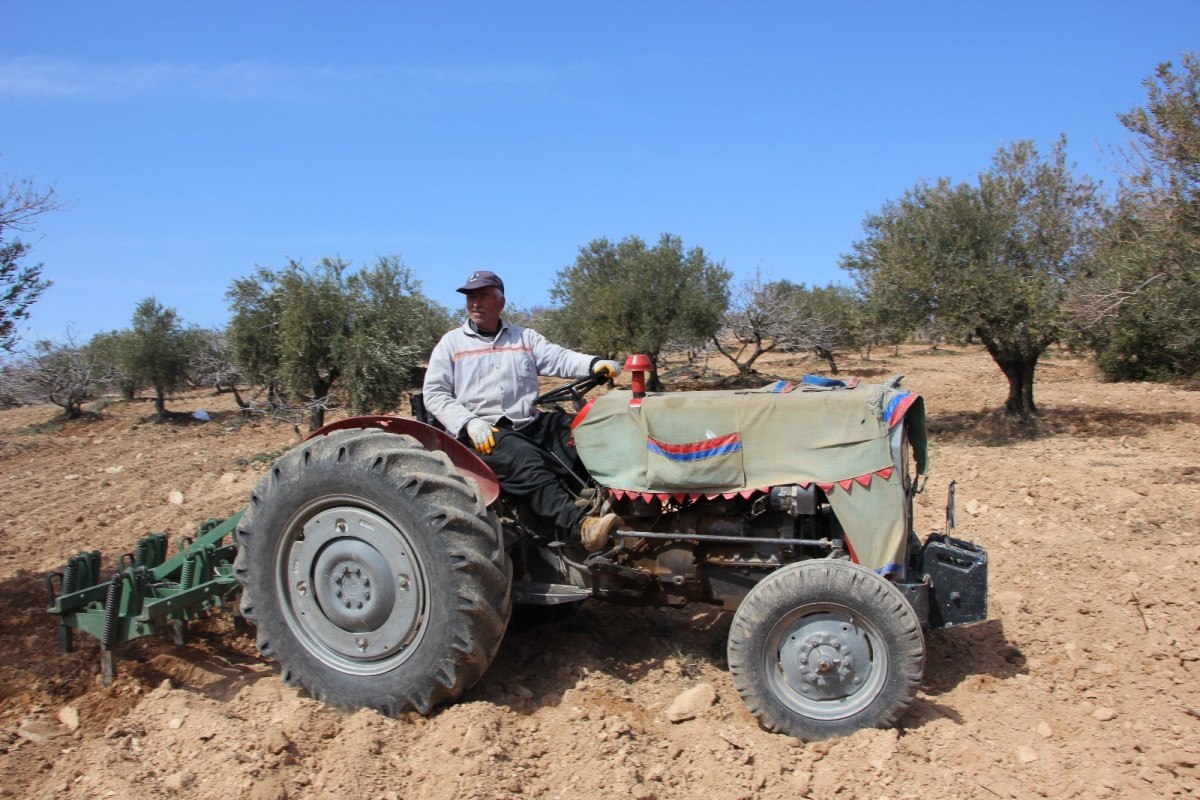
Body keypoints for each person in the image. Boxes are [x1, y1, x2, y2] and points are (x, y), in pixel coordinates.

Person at [422, 270, 621, 551]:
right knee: (524, 459)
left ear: (500, 303)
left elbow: (559, 358)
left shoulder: (523, 338)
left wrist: (594, 363)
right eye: (470, 298)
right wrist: (468, 423)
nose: (475, 304)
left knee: (581, 433)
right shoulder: (451, 344)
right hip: (484, 431)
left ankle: (616, 502)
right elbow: (434, 393)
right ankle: (581, 527)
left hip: (528, 422)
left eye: (482, 296)